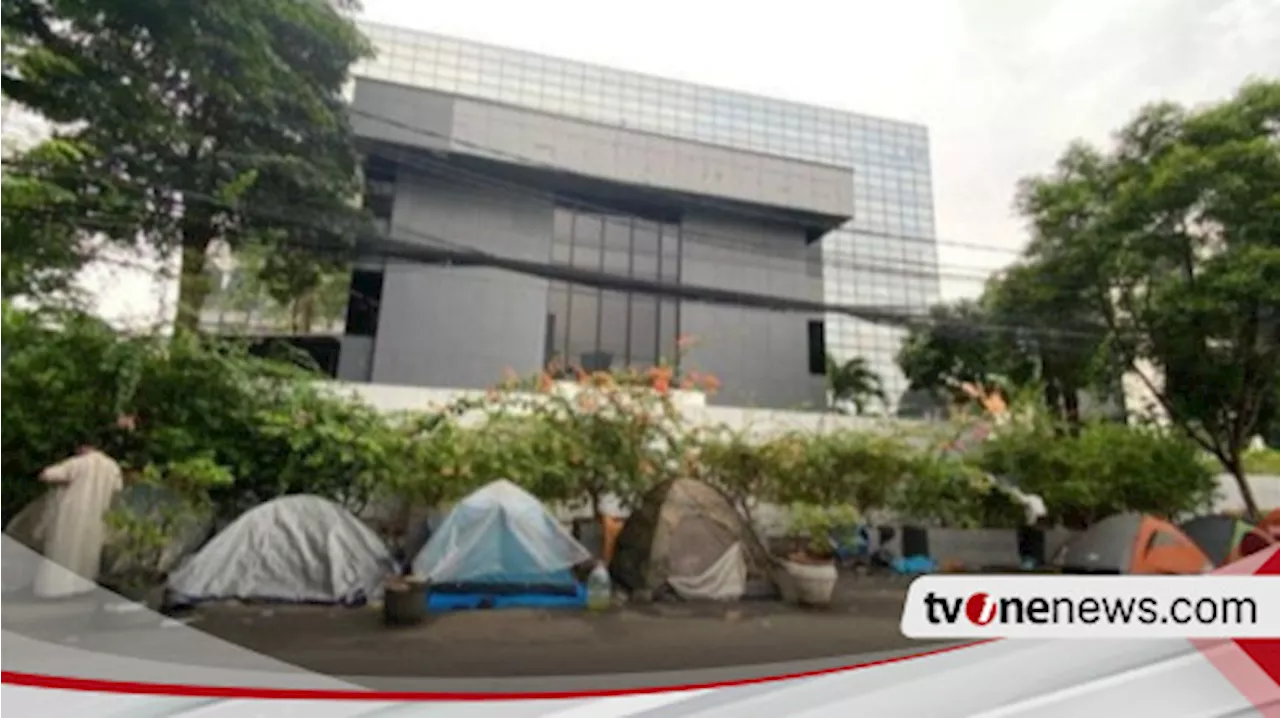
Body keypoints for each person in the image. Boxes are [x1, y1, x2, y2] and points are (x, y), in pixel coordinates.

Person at [32, 443, 125, 599]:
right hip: (98, 513)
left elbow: (47, 475)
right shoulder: (113, 467)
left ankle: (57, 588)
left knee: (64, 550)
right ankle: (82, 586)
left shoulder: (78, 462)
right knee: (87, 551)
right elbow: (118, 488)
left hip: (72, 513)